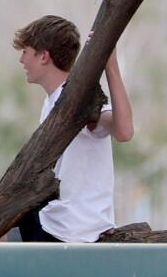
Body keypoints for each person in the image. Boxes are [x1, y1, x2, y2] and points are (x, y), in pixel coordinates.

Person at [11, 16, 134, 243]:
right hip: (52, 221)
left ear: (44, 56)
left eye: (25, 52)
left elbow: (124, 131)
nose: (21, 60)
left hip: (72, 230)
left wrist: (111, 66)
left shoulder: (81, 100)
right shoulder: (51, 100)